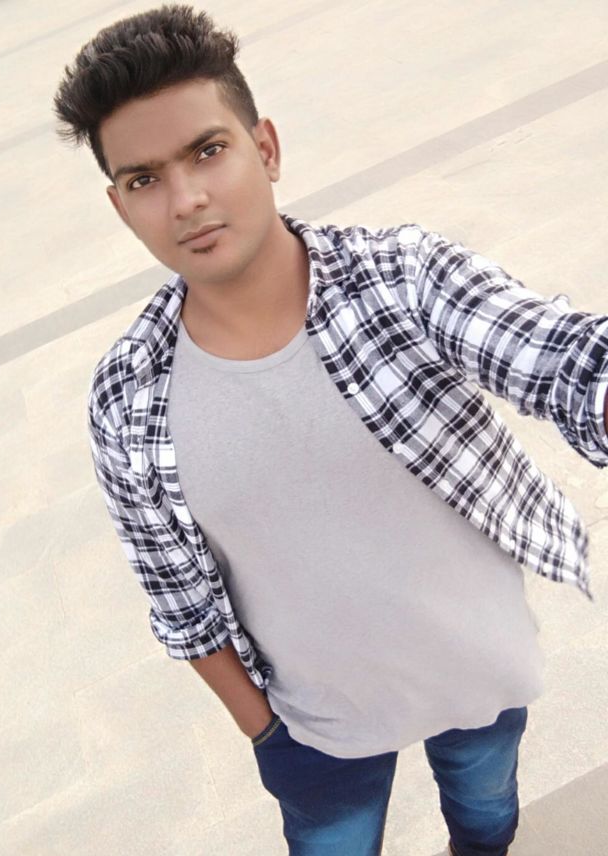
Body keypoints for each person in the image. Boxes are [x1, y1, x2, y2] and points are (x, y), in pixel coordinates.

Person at [53, 5, 608, 855]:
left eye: (208, 151)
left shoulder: (403, 279)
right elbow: (179, 600)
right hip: (315, 731)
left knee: (487, 821)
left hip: (480, 674)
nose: (187, 199)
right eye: (143, 180)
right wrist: (265, 732)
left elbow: (558, 357)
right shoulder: (129, 395)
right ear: (121, 205)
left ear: (266, 148)